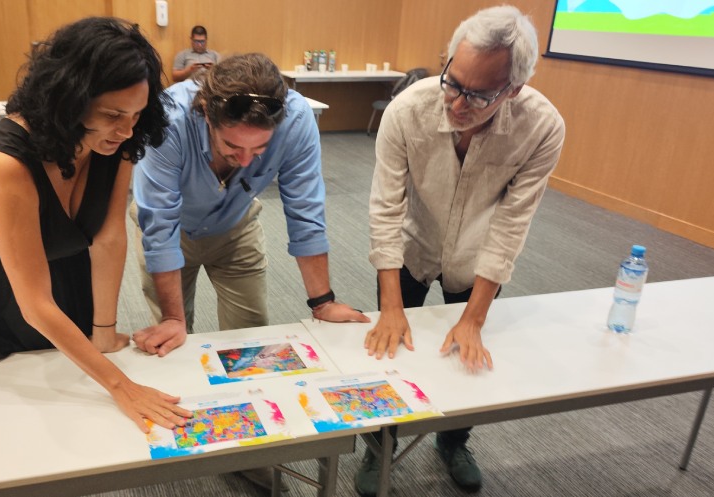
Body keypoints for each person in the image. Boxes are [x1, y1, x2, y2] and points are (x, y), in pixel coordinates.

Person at [0, 17, 191, 433]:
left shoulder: (119, 139)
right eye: (113, 114)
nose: (127, 129)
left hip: (62, 263)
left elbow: (108, 236)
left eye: (136, 113)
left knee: (63, 386)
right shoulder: (4, 162)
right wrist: (122, 386)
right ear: (69, 101)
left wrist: (104, 330)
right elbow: (34, 302)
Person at [358, 5, 565, 495]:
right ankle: (379, 445)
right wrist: (391, 306)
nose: (456, 103)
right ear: (447, 62)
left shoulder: (542, 127)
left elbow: (512, 225)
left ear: (513, 89)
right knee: (389, 349)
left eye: (478, 95)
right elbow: (385, 209)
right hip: (413, 245)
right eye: (453, 82)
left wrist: (473, 317)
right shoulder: (407, 111)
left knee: (466, 355)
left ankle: (454, 441)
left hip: (478, 254)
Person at [131, 52, 369, 357]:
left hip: (236, 225)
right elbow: (160, 224)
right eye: (232, 145)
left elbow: (305, 211)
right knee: (171, 340)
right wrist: (173, 320)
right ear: (207, 115)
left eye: (259, 149)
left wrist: (323, 303)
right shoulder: (167, 119)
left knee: (251, 340)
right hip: (170, 229)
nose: (245, 161)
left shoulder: (295, 119)